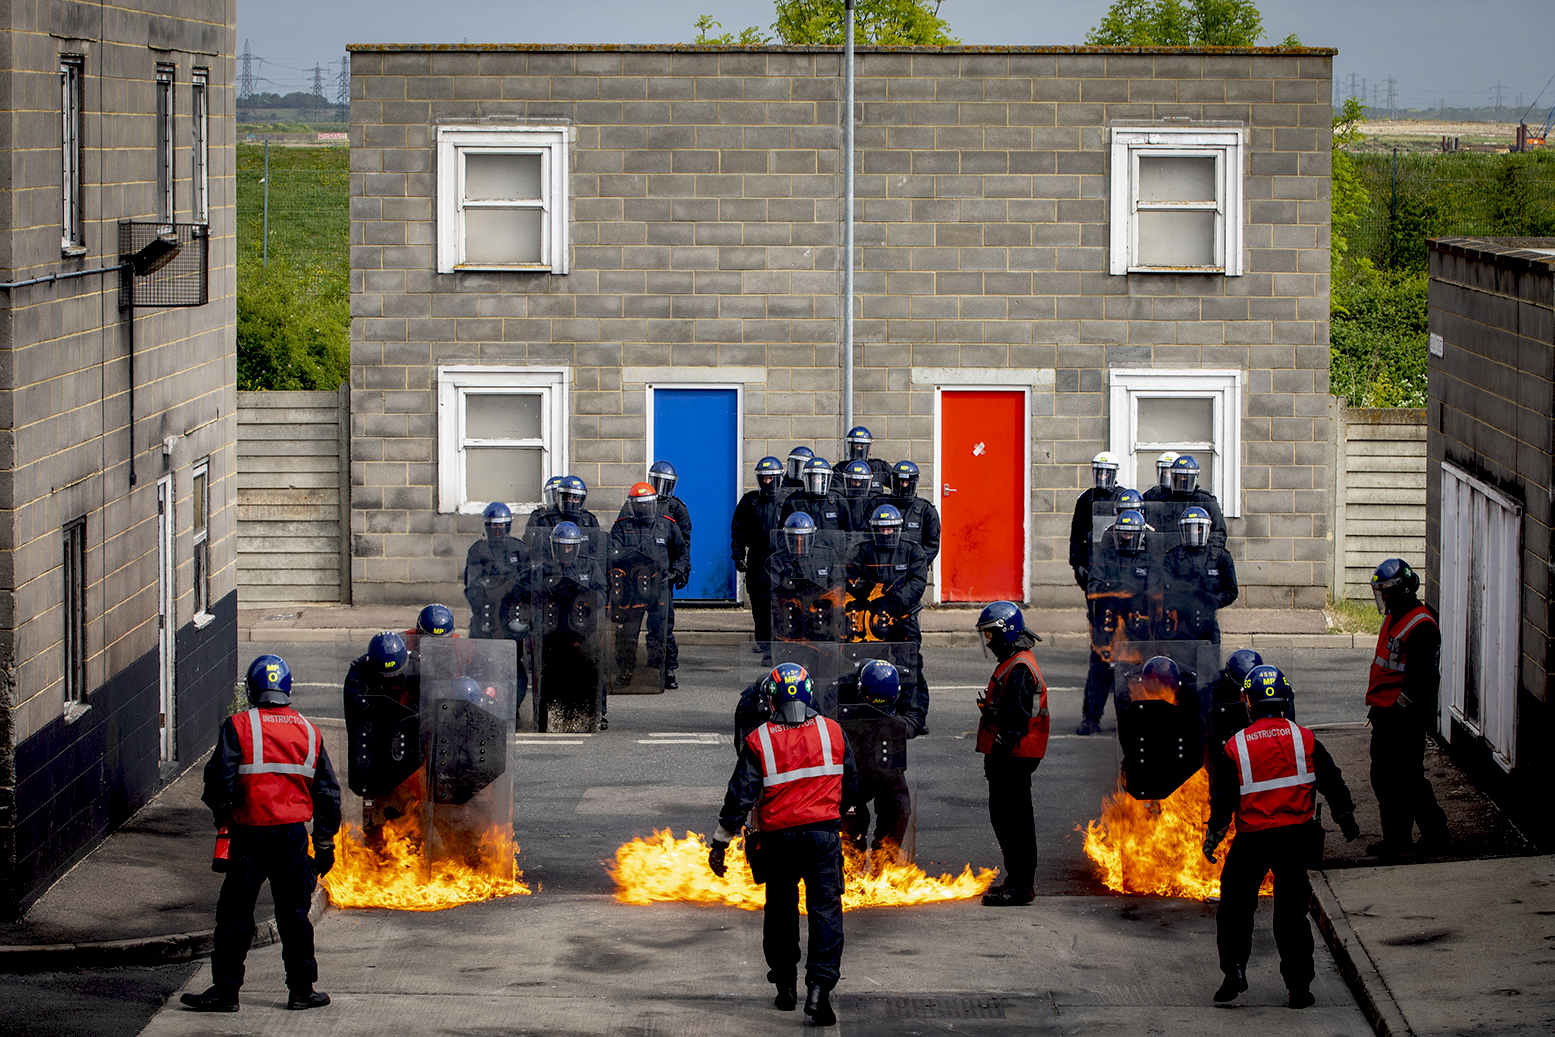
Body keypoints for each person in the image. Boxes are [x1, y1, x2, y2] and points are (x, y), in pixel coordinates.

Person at [181, 655, 341, 1013]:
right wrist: (326, 842)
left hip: (249, 835)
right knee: (293, 916)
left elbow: (218, 782)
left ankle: (225, 992)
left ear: (252, 689)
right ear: (288, 688)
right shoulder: (308, 731)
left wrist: (224, 816)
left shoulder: (239, 725)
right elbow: (327, 793)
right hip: (291, 839)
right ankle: (301, 991)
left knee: (235, 915)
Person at [707, 662, 857, 1027]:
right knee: (825, 912)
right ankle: (820, 991)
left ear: (771, 700)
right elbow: (852, 786)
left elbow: (739, 796)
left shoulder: (760, 738)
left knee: (780, 910)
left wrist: (720, 843)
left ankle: (786, 987)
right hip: (822, 838)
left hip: (777, 839)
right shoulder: (833, 731)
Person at [1204, 665, 1360, 1009]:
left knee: (1235, 908)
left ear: (1249, 703)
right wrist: (1346, 817)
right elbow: (1331, 780)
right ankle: (1299, 988)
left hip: (1253, 841)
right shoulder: (1304, 738)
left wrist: (1215, 834)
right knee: (1291, 914)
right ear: (1286, 701)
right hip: (1295, 840)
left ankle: (1234, 971)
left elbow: (1224, 799)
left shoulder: (1236, 746)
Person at [1366, 558, 1451, 856]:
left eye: (1386, 592)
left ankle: (1436, 834)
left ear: (1401, 590)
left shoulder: (1421, 626)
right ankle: (1397, 839)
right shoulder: (1395, 615)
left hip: (1404, 717)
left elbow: (1423, 678)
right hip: (1386, 712)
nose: (1383, 598)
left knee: (1408, 778)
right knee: (1385, 778)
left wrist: (1398, 711)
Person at [973, 602, 1049, 907]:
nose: (988, 641)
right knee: (1010, 819)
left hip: (1013, 758)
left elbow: (1016, 723)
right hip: (1014, 756)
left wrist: (997, 759)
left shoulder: (1019, 668)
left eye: (990, 634)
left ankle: (1020, 886)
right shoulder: (1015, 660)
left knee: (1013, 822)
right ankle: (1017, 880)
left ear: (1006, 633)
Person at [844, 504, 930, 733]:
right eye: (881, 529)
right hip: (871, 621)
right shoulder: (862, 550)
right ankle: (873, 708)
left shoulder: (913, 551)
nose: (886, 533)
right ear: (874, 530)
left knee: (910, 665)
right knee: (871, 663)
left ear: (898, 528)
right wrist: (869, 597)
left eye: (890, 528)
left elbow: (918, 582)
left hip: (902, 617)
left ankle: (916, 715)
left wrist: (894, 601)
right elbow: (849, 578)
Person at [1078, 509, 1156, 735]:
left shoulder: (1148, 561)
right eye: (1124, 532)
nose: (1128, 536)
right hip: (1109, 624)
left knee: (1136, 674)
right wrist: (1121, 594)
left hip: (1136, 627)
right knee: (1100, 672)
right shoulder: (1106, 557)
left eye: (1133, 532)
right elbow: (1093, 587)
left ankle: (1136, 718)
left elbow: (1154, 592)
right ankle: (1091, 718)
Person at [617, 461, 692, 686]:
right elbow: (617, 542)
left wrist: (679, 571)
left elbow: (682, 545)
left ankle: (663, 668)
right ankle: (625, 670)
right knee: (628, 629)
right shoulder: (629, 509)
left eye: (666, 484)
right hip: (634, 582)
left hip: (661, 578)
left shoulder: (675, 510)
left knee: (662, 628)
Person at [838, 659, 912, 854]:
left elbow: (915, 718)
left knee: (898, 810)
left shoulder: (907, 681)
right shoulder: (842, 686)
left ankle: (884, 866)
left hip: (887, 753)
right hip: (852, 756)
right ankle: (851, 867)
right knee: (851, 817)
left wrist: (892, 725)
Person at [1161, 506, 1238, 644]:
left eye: (1198, 528)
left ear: (1206, 529)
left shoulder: (1220, 556)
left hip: (1208, 624)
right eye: (1189, 528)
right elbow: (1163, 588)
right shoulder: (1172, 557)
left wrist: (1212, 601)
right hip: (1180, 625)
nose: (1194, 533)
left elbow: (1231, 589)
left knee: (1209, 663)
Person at [765, 513, 847, 643]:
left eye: (803, 538)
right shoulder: (776, 561)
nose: (799, 542)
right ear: (787, 538)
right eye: (794, 538)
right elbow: (771, 595)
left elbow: (838, 586)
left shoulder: (827, 556)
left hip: (821, 619)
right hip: (791, 621)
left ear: (811, 537)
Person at [731, 456, 787, 645]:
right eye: (763, 477)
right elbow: (737, 530)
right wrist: (738, 555)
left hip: (780, 560)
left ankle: (777, 646)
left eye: (770, 478)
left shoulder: (787, 501)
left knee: (778, 604)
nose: (766, 481)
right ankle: (763, 645)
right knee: (758, 604)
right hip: (757, 558)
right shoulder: (750, 501)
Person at [465, 502, 528, 640]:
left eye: (501, 525)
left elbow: (527, 582)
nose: (498, 530)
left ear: (508, 525)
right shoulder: (478, 550)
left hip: (513, 612)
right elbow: (473, 585)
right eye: (494, 525)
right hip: (487, 611)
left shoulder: (519, 548)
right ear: (487, 526)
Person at [1068, 451, 1122, 591]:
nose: (1102, 476)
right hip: (1092, 558)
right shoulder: (1086, 499)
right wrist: (1077, 564)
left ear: (1114, 473)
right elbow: (1077, 534)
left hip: (1118, 558)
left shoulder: (1123, 496)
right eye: (1099, 472)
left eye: (1107, 473)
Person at [1146, 455, 1227, 548]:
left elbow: (1218, 534)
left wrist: (1206, 556)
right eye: (1179, 476)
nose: (1182, 480)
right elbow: (1151, 532)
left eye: (1185, 476)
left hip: (1196, 555)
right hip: (1168, 557)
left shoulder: (1205, 501)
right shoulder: (1162, 500)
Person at [886, 460, 941, 566]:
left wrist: (917, 564)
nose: (904, 485)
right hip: (885, 566)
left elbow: (932, 544)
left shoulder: (926, 509)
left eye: (908, 482)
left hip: (914, 567)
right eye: (901, 481)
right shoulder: (882, 506)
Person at [780, 456, 850, 534]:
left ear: (827, 478)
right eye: (814, 478)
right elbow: (782, 534)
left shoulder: (838, 501)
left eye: (821, 478)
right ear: (807, 478)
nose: (817, 481)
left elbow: (848, 534)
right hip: (804, 545)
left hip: (831, 546)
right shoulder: (793, 502)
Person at [527, 475, 599, 537]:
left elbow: (597, 547)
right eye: (569, 498)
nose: (573, 502)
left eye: (576, 499)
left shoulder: (589, 520)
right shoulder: (547, 520)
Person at [843, 425, 891, 495]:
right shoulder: (841, 469)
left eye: (862, 446)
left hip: (874, 505)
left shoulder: (879, 467)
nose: (859, 449)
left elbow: (899, 485)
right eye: (856, 446)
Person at [836, 459, 877, 531]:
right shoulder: (841, 501)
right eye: (854, 481)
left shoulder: (872, 502)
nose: (857, 484)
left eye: (860, 481)